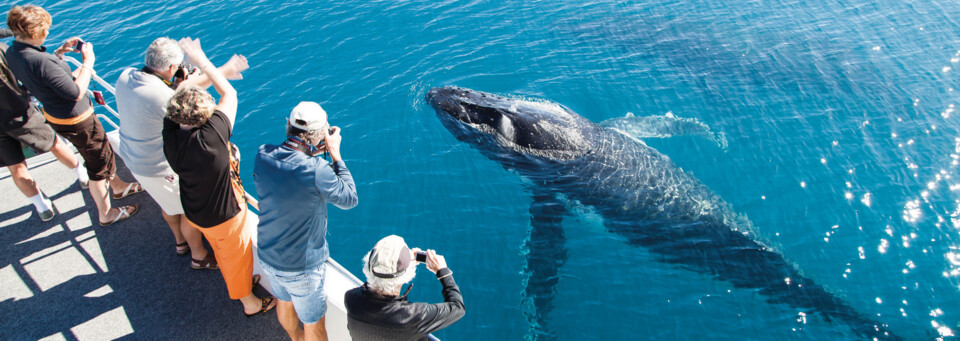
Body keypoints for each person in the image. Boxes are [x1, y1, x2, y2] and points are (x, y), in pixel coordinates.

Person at [161, 37, 275, 317]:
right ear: (204, 116)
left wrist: (206, 67)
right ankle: (248, 301)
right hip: (223, 215)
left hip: (194, 207)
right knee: (234, 257)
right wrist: (202, 61)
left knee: (225, 253)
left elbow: (183, 94)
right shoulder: (210, 140)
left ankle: (241, 281)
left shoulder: (171, 132)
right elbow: (230, 95)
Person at [115, 36, 248, 268]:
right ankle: (198, 256)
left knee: (168, 205)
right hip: (157, 166)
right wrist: (222, 71)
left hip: (134, 158)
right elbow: (182, 96)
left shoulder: (126, 76)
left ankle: (180, 243)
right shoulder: (164, 99)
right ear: (171, 68)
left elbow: (177, 93)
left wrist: (216, 72)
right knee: (188, 212)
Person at [5, 5, 143, 226]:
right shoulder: (40, 61)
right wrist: (87, 62)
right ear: (37, 32)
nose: (48, 32)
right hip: (77, 120)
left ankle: (117, 187)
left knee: (102, 154)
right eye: (46, 29)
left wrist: (59, 53)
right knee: (97, 166)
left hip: (56, 116)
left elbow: (44, 78)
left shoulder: (13, 51)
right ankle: (106, 214)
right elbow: (76, 92)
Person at [253, 101, 359, 341]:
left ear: (287, 125)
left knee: (284, 300)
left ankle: (295, 339)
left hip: (268, 253)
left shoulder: (263, 153)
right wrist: (335, 154)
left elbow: (291, 169)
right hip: (301, 267)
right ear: (323, 134)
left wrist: (314, 152)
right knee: (313, 322)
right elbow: (349, 198)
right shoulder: (316, 169)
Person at [0, 28, 86, 221]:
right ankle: (82, 175)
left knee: (16, 167)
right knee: (54, 143)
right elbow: (26, 76)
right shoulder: (4, 51)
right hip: (19, 113)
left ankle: (42, 208)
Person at [345, 235, 465, 341]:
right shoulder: (414, 316)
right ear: (407, 275)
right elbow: (457, 307)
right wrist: (442, 271)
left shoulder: (351, 299)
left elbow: (368, 286)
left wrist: (404, 265)